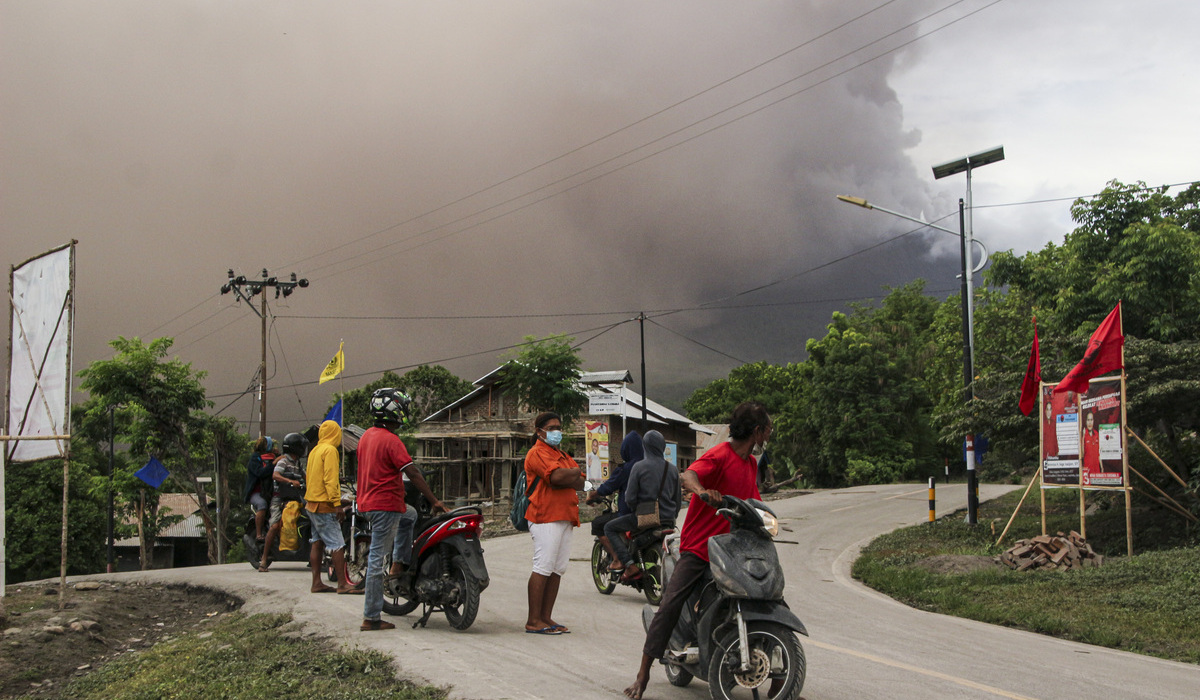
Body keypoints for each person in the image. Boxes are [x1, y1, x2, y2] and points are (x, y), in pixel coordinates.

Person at [623, 401, 772, 700]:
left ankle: (781, 684)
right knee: (670, 604)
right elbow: (687, 475)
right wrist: (703, 492)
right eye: (767, 430)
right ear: (756, 432)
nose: (768, 435)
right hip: (699, 548)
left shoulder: (751, 464)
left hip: (733, 551)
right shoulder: (719, 455)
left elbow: (753, 504)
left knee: (768, 596)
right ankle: (642, 675)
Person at [357, 387, 445, 631]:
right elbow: (413, 473)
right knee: (376, 560)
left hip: (369, 503)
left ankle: (398, 563)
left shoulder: (367, 436)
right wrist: (434, 500)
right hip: (384, 505)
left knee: (411, 515)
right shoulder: (391, 440)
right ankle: (371, 617)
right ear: (395, 411)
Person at [523, 411, 586, 635]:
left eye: (558, 427)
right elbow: (557, 478)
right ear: (539, 431)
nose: (556, 431)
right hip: (545, 516)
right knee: (543, 566)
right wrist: (574, 472)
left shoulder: (559, 454)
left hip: (564, 517)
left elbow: (579, 482)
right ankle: (533, 620)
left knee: (557, 569)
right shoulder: (536, 453)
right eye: (551, 428)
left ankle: (545, 617)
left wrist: (571, 474)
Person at [603, 430, 679, 580]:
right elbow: (677, 500)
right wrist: (671, 515)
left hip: (645, 518)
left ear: (645, 446)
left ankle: (629, 565)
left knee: (609, 527)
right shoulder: (673, 469)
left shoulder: (639, 467)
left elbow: (629, 497)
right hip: (668, 520)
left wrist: (635, 509)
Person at [303, 422, 361, 595]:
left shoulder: (315, 450)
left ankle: (316, 582)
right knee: (337, 544)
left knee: (317, 543)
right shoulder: (330, 450)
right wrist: (337, 504)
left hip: (311, 503)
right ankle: (343, 584)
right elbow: (329, 478)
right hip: (324, 505)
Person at [585, 431, 642, 567]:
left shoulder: (626, 469)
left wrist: (592, 496)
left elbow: (608, 487)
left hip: (630, 514)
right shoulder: (650, 465)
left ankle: (618, 559)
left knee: (600, 524)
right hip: (653, 513)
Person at [258, 434, 305, 572]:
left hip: (296, 498)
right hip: (279, 499)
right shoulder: (283, 461)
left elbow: (306, 476)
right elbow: (275, 475)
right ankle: (264, 560)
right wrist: (290, 481)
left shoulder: (298, 463)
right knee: (275, 525)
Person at [242, 436, 277, 543]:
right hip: (256, 492)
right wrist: (273, 463)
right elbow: (260, 473)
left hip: (269, 491)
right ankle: (258, 533)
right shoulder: (255, 458)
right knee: (262, 505)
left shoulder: (272, 457)